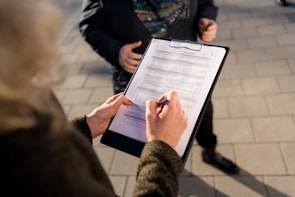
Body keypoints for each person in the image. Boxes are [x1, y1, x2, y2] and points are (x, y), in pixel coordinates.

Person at [0, 0, 188, 196]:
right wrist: (161, 150)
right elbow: (89, 24)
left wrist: (86, 125)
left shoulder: (16, 110)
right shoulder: (28, 160)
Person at [79, 0, 239, 174]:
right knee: (144, 132)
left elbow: (205, 3)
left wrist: (206, 19)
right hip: (138, 77)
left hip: (187, 70)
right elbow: (89, 24)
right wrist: (116, 51)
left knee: (203, 116)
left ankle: (210, 152)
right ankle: (160, 168)